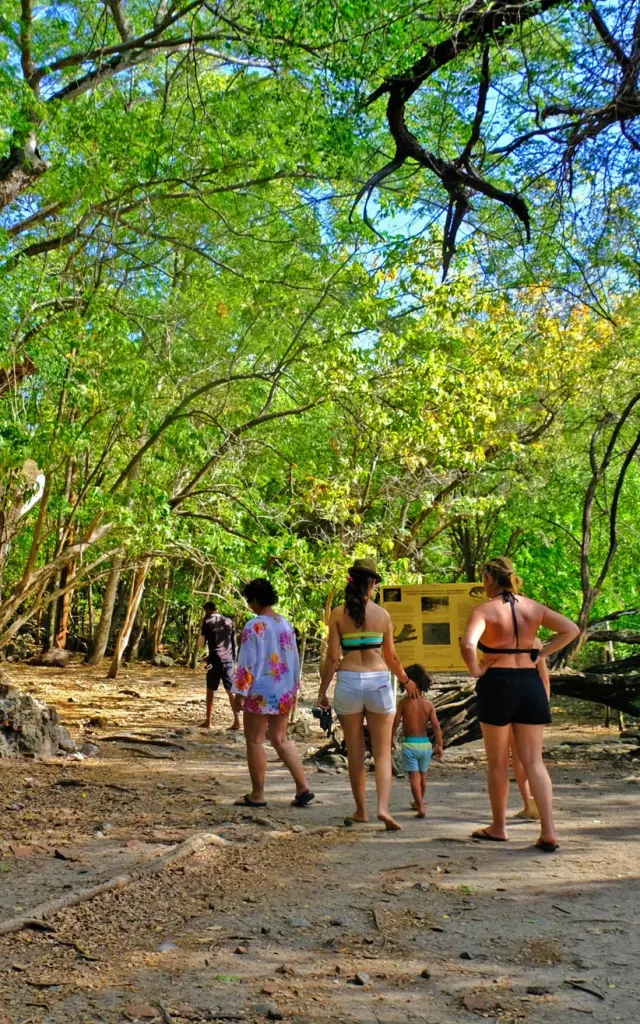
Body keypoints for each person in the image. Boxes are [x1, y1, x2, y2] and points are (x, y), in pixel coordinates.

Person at [461, 557, 579, 853]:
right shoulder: (533, 607)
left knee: (498, 761)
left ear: (490, 578)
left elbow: (467, 644)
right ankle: (548, 831)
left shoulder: (484, 610)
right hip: (529, 684)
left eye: (483, 578)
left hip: (498, 683)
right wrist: (540, 654)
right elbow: (571, 629)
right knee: (534, 761)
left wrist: (476, 670)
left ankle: (499, 827)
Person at [318, 557, 419, 832]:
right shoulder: (383, 616)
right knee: (383, 752)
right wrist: (407, 680)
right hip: (378, 682)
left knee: (355, 751)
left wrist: (322, 691)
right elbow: (393, 658)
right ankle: (383, 809)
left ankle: (361, 810)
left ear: (351, 581)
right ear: (374, 583)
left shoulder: (338, 614)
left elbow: (332, 657)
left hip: (349, 681)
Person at [232, 578, 314, 809]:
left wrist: (240, 692)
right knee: (280, 738)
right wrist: (295, 687)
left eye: (249, 600)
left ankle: (257, 794)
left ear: (256, 600)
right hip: (284, 689)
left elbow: (247, 661)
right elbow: (294, 659)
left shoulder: (254, 626)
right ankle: (303, 787)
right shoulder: (285, 624)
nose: (249, 605)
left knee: (255, 740)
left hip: (260, 689)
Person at [392, 664, 444, 818]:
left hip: (409, 744)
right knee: (423, 776)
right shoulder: (428, 704)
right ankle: (419, 801)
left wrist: (391, 739)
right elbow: (436, 726)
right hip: (425, 745)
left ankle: (420, 805)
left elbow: (395, 723)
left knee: (413, 777)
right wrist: (439, 745)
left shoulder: (404, 703)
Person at [510, 639, 551, 820]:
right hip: (534, 699)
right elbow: (544, 678)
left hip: (509, 696)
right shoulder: (535, 642)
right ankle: (541, 810)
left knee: (516, 758)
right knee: (535, 759)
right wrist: (543, 703)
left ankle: (528, 804)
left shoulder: (500, 637)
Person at [197, 601, 240, 730]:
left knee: (210, 690)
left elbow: (201, 645)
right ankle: (237, 722)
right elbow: (234, 643)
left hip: (214, 660)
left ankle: (208, 721)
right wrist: (234, 660)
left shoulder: (207, 622)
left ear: (207, 610)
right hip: (229, 660)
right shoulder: (228, 621)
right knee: (230, 692)